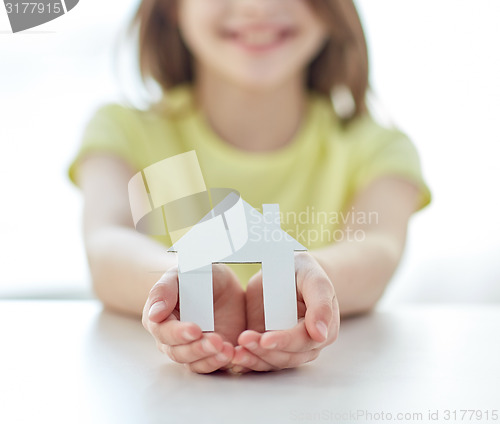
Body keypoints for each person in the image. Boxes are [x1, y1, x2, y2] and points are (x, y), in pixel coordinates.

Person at [68, 0, 430, 374]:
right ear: (173, 7)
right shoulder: (125, 131)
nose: (258, 7)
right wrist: (186, 285)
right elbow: (107, 242)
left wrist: (307, 282)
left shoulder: (377, 148)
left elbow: (377, 246)